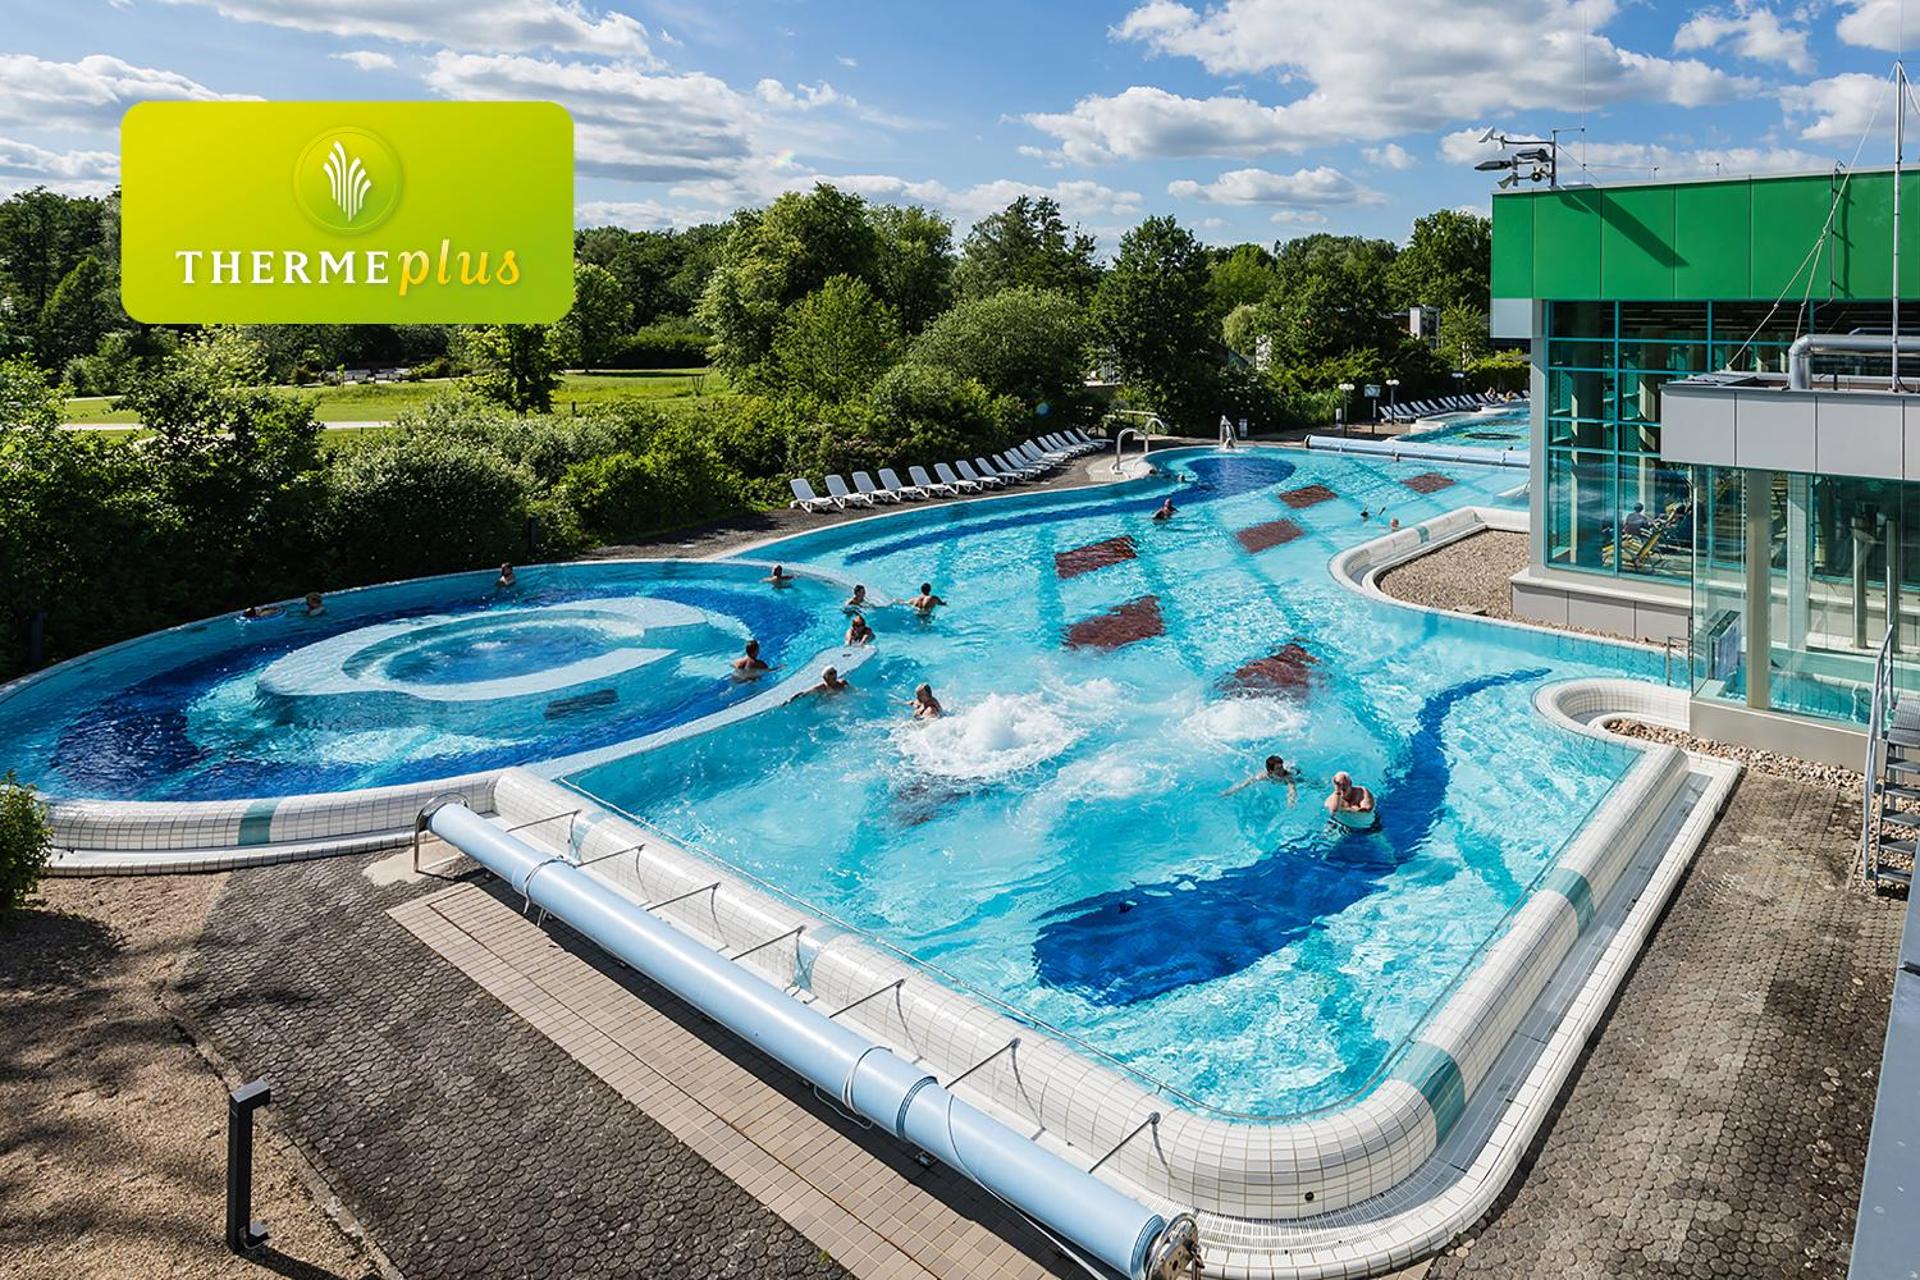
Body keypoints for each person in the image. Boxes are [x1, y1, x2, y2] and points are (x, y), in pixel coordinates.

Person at [1223, 754, 1300, 804]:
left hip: (1297, 776)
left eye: (1281, 767)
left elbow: (1292, 788)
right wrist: (1230, 792)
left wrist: (1291, 800)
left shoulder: (1287, 776)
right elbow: (1245, 783)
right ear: (1270, 771)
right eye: (1278, 768)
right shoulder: (1264, 775)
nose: (1281, 770)